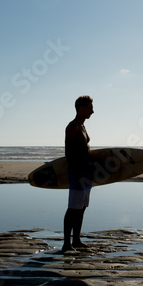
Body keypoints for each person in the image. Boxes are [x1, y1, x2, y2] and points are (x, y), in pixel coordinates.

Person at [62, 95, 94, 252]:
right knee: (73, 208)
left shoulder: (82, 126)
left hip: (86, 173)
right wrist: (76, 173)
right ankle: (66, 244)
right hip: (77, 173)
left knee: (82, 207)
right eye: (90, 108)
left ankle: (76, 240)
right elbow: (69, 153)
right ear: (81, 108)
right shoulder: (72, 127)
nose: (92, 111)